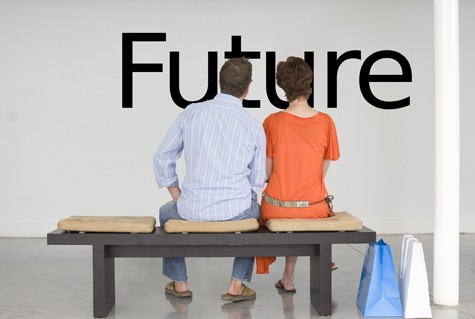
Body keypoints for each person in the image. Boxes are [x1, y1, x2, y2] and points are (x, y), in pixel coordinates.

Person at [153, 57, 266, 301]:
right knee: (255, 212)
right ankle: (236, 284)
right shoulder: (253, 126)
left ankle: (180, 283)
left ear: (218, 83)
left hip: (191, 209)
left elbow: (162, 155)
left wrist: (176, 194)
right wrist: (246, 199)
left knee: (165, 212)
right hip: (237, 211)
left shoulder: (192, 113)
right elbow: (257, 181)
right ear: (248, 88)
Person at [256, 56, 340, 293]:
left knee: (290, 212)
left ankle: (288, 278)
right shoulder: (326, 122)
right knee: (304, 209)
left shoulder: (272, 122)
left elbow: (267, 173)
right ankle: (308, 265)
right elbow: (322, 171)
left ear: (283, 87)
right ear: (308, 84)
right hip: (313, 207)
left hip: (276, 206)